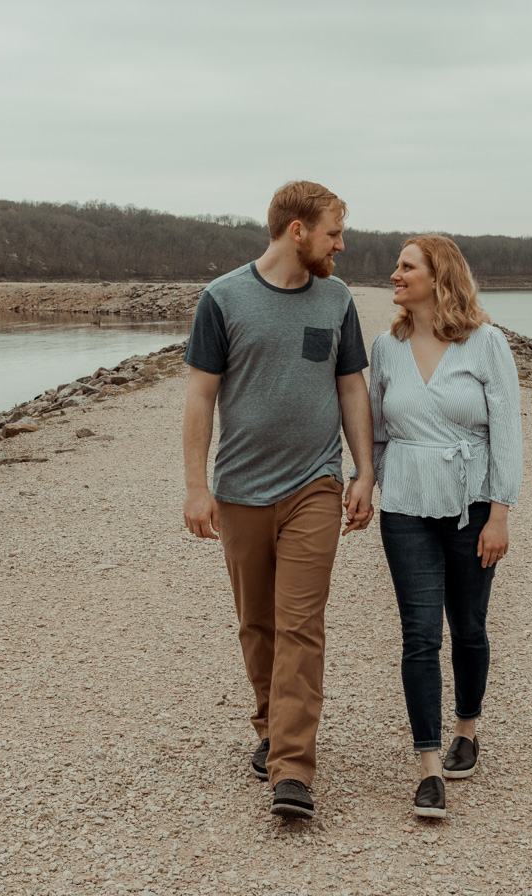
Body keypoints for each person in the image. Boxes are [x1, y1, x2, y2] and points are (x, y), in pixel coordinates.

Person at [182, 180, 376, 821]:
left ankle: (292, 769)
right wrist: (196, 487)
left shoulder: (337, 299)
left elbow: (351, 388)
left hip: (314, 485)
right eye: (333, 233)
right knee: (258, 625)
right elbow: (200, 396)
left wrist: (364, 472)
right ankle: (270, 724)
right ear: (298, 231)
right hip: (240, 490)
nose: (340, 246)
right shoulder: (222, 298)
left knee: (300, 624)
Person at [368, 235, 522, 819]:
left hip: (471, 508)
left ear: (439, 277)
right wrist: (372, 482)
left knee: (469, 628)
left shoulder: (486, 344)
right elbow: (376, 429)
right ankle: (428, 767)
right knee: (420, 635)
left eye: (406, 266)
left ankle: (467, 729)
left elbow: (507, 432)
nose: (395, 274)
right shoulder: (387, 347)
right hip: (406, 508)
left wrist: (500, 514)